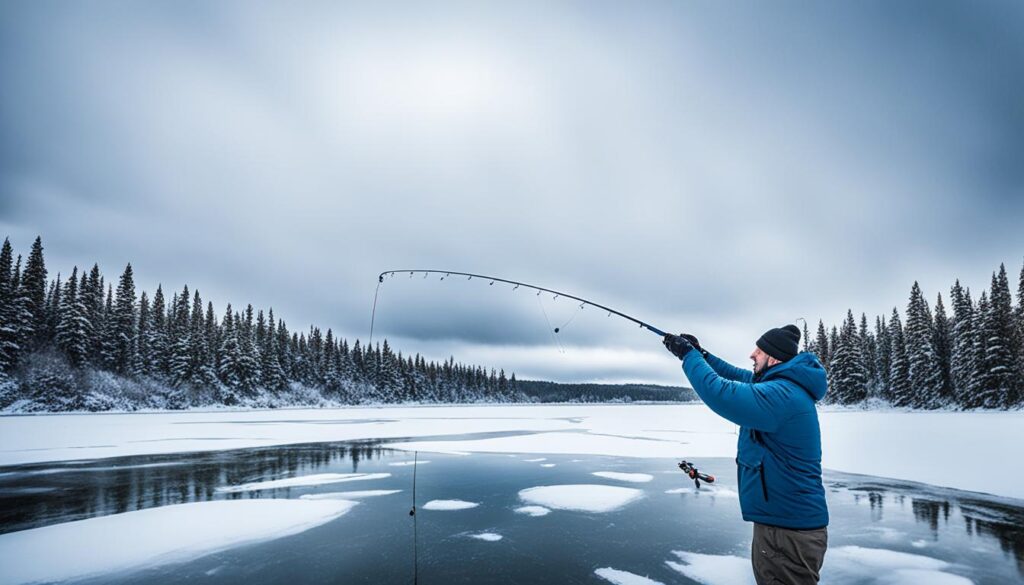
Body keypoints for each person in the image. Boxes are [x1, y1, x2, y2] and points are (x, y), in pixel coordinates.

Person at [663, 325, 829, 585]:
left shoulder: (782, 395)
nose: (752, 354)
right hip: (784, 525)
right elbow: (737, 376)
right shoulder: (782, 386)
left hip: (787, 533)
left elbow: (721, 393)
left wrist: (688, 356)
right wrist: (701, 354)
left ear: (774, 358)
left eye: (759, 351)